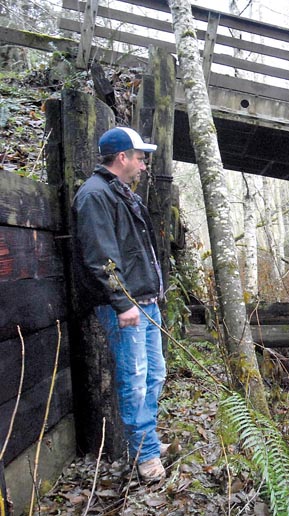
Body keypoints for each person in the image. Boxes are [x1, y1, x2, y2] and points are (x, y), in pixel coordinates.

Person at [72, 126, 167, 482]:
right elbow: (100, 257)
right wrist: (121, 302)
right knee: (135, 379)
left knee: (155, 374)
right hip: (126, 307)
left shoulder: (122, 194)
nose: (143, 165)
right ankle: (146, 456)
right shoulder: (95, 195)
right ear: (122, 157)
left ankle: (148, 442)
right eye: (140, 158)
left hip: (145, 302)